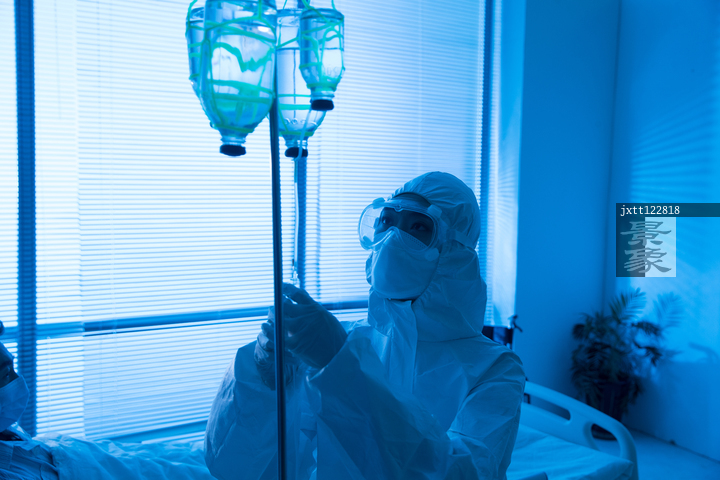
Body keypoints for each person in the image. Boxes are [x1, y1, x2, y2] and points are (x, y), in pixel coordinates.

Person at [205, 172, 526, 480]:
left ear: (454, 251)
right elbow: (242, 469)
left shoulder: (495, 369)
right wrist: (264, 385)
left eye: (417, 226)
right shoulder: (340, 341)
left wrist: (344, 371)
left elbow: (463, 473)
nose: (392, 240)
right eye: (386, 221)